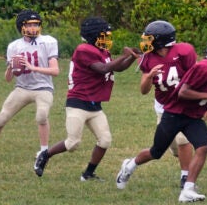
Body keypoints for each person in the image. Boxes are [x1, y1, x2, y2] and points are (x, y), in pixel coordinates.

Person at [115, 36, 207, 203]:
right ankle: (129, 166)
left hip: (192, 117)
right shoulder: (205, 68)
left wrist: (204, 107)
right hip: (174, 114)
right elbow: (183, 92)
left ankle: (188, 189)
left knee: (202, 147)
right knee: (155, 152)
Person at [33, 17, 139, 181]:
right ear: (94, 35)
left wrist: (131, 57)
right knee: (72, 143)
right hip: (78, 102)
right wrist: (123, 55)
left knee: (105, 140)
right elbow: (103, 69)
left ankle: (88, 173)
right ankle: (45, 155)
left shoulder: (102, 51)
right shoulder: (83, 49)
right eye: (104, 34)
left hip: (94, 105)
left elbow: (116, 68)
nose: (107, 38)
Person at [0, 10, 59, 160]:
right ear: (21, 26)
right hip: (22, 88)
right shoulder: (14, 46)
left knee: (42, 116)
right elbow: (8, 79)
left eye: (36, 24)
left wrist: (32, 67)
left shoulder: (49, 41)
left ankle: (44, 152)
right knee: (1, 118)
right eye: (30, 25)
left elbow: (55, 71)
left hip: (43, 88)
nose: (33, 28)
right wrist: (11, 66)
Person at [122, 20, 197, 189]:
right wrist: (149, 76)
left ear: (161, 40)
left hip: (184, 104)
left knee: (183, 140)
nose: (146, 42)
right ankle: (129, 166)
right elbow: (143, 90)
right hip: (164, 107)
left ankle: (186, 180)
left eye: (149, 39)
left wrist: (201, 104)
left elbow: (195, 78)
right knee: (163, 150)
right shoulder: (148, 58)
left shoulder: (184, 52)